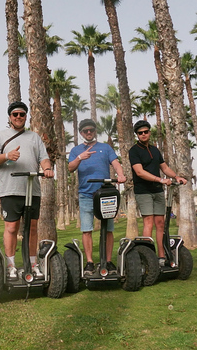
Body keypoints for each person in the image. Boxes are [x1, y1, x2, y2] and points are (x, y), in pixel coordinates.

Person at [0, 101, 54, 279]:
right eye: (15, 114)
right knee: (11, 227)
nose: (18, 117)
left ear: (26, 116)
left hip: (32, 189)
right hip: (10, 189)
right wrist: (7, 156)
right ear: (10, 117)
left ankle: (33, 264)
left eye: (22, 114)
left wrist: (47, 168)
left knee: (32, 228)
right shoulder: (1, 136)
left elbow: (44, 158)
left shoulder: (34, 137)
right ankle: (11, 266)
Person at [68, 118, 126, 275]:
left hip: (105, 194)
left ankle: (107, 260)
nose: (89, 133)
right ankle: (89, 263)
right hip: (86, 194)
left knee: (108, 229)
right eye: (85, 131)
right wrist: (80, 158)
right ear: (81, 133)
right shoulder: (76, 150)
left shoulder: (105, 148)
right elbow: (70, 168)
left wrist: (120, 174)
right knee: (87, 229)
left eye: (91, 130)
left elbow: (115, 163)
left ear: (95, 131)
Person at [128, 120, 186, 266]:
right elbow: (139, 172)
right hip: (143, 191)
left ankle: (161, 256)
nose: (143, 135)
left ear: (149, 132)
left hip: (157, 191)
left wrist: (175, 177)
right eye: (140, 133)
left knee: (160, 223)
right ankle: (148, 257)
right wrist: (160, 180)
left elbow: (165, 167)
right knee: (148, 223)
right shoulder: (134, 151)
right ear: (137, 135)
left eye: (145, 132)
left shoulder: (154, 150)